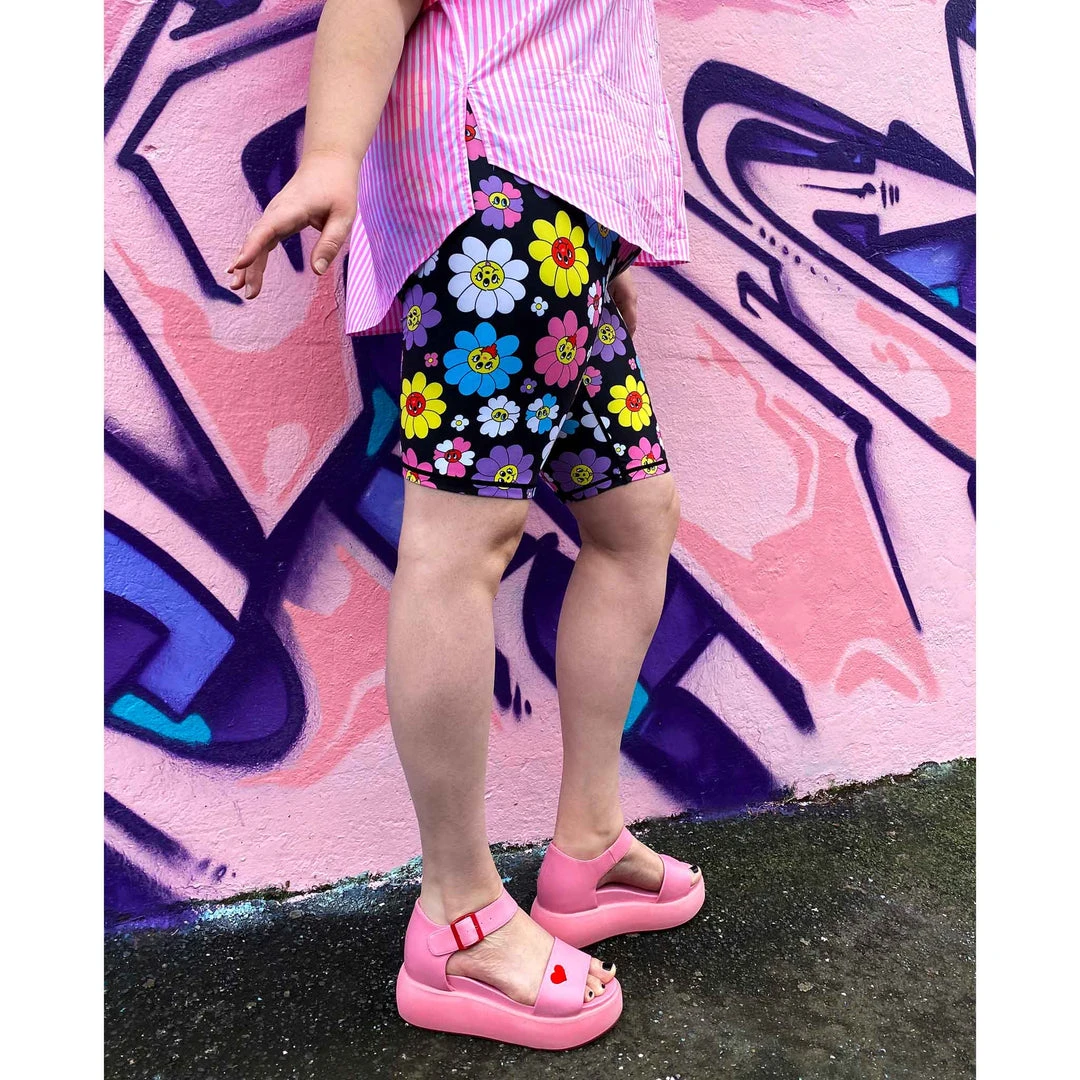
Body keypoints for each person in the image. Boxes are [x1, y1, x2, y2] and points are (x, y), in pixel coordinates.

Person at [227, 0, 703, 1050]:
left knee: (633, 517)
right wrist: (331, 155)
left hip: (570, 221)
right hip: (503, 209)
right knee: (462, 544)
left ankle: (585, 846)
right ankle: (458, 919)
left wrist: (605, 246)